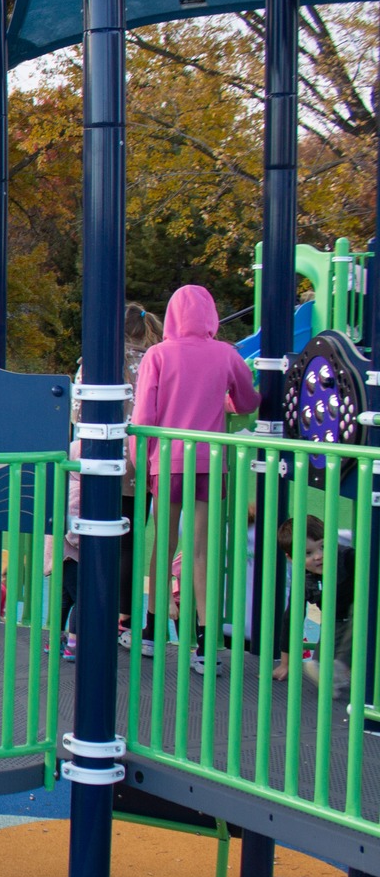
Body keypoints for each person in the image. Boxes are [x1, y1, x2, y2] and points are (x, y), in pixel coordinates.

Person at [130, 284, 259, 671]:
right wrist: (226, 403)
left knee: (162, 547)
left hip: (167, 460)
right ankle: (205, 647)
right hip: (211, 459)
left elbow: (144, 417)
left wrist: (141, 462)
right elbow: (249, 401)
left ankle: (153, 633)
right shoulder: (226, 354)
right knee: (200, 553)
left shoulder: (158, 354)